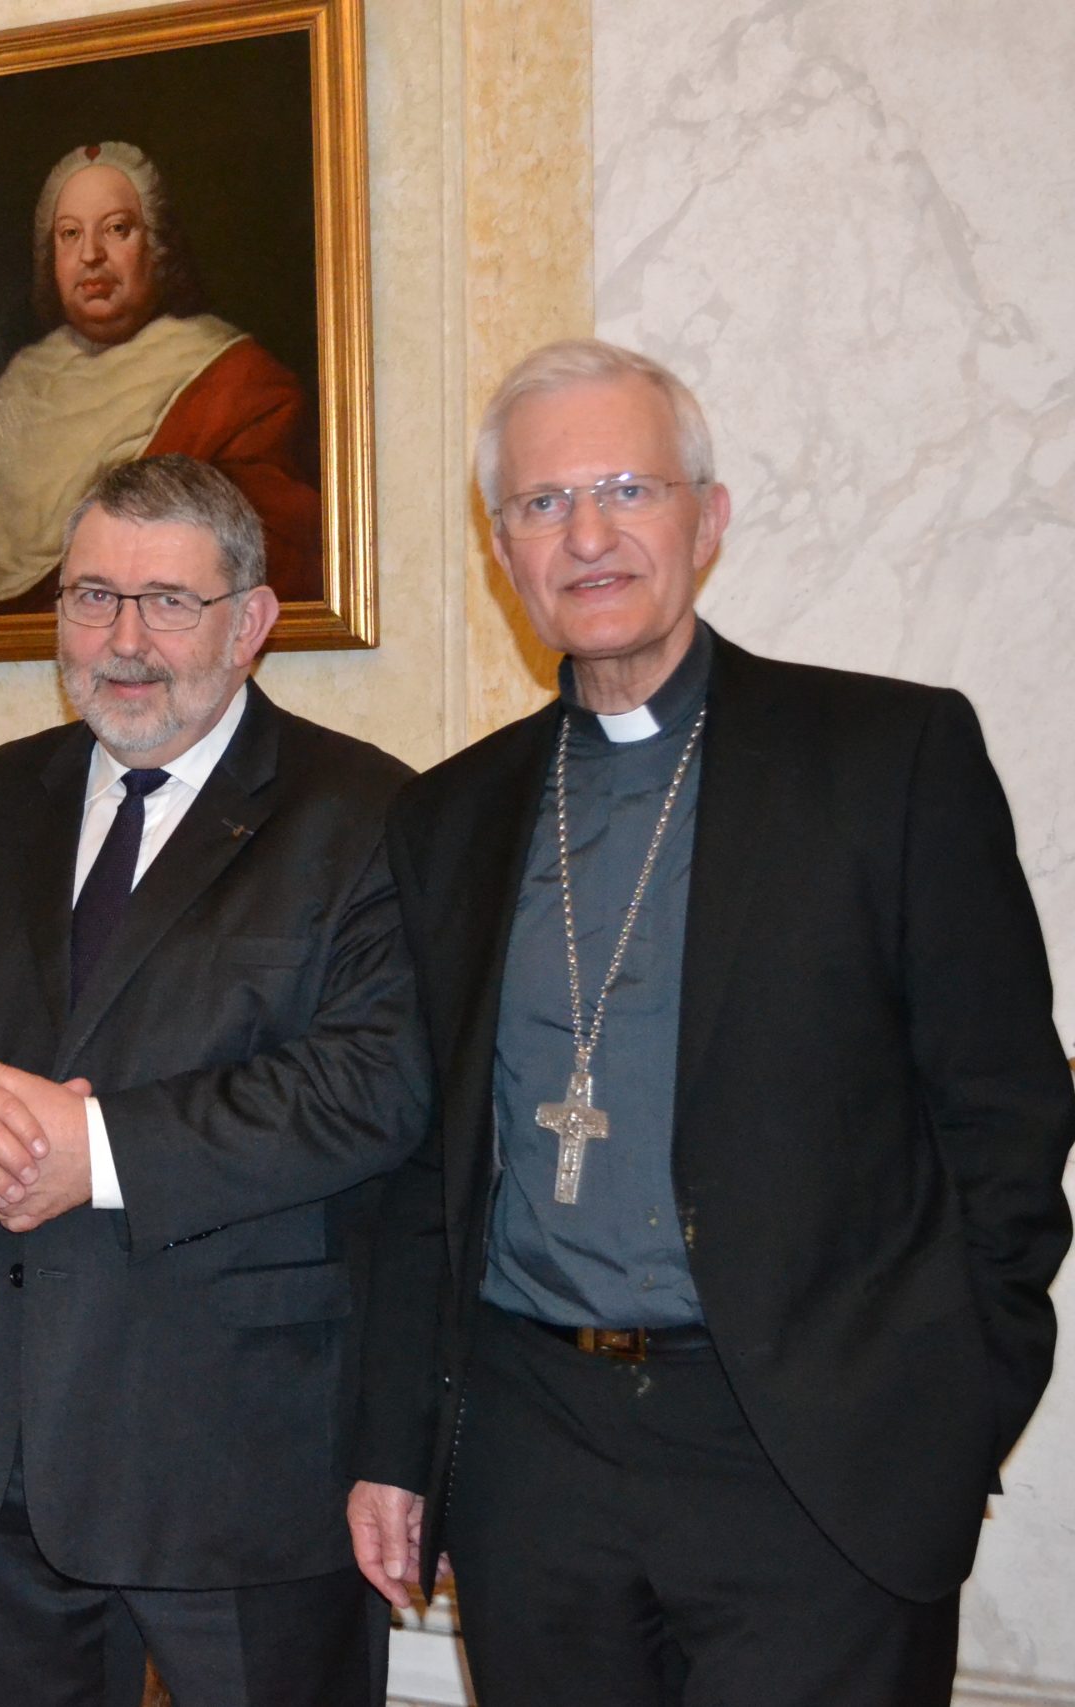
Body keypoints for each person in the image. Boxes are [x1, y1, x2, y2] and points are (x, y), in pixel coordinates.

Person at [348, 338, 1075, 1706]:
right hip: (531, 1450)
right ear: (502, 549)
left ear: (710, 517)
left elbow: (1009, 1114)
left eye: (629, 486)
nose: (591, 534)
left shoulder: (886, 759)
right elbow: (420, 1168)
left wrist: (952, 1409)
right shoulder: (447, 815)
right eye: (544, 503)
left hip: (805, 1452)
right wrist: (400, 1438)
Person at [0, 454, 426, 1705]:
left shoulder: (367, 813)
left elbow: (374, 1084)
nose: (125, 638)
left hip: (241, 1459)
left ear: (252, 621)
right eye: (92, 596)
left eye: (169, 602)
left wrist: (89, 1153)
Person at [0, 141, 322, 615]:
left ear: (159, 247)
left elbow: (269, 574)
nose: (90, 255)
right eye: (69, 234)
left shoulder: (241, 384)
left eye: (117, 229)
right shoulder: (21, 382)